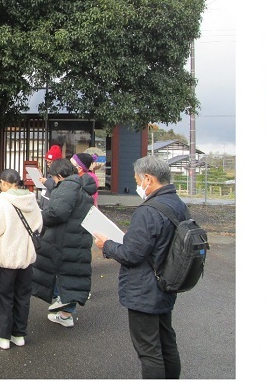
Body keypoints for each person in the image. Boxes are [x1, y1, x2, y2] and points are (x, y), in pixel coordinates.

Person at [99, 155, 189, 379]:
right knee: (167, 342)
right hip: (168, 282)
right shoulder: (178, 204)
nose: (139, 185)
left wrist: (106, 244)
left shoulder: (148, 210)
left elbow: (131, 254)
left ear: (148, 178)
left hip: (145, 288)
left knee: (149, 351)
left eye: (139, 181)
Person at [0, 168, 42, 349]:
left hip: (6, 257)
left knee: (4, 297)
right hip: (26, 257)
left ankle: (3, 336)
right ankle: (19, 334)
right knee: (23, 296)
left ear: (5, 183)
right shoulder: (31, 199)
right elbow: (39, 224)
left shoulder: (1, 202)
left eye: (0, 183)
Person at [32, 158, 95, 328]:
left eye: (54, 177)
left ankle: (62, 301)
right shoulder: (82, 186)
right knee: (73, 274)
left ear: (59, 175)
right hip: (79, 237)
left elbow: (57, 213)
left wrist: (39, 216)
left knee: (59, 272)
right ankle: (65, 314)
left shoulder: (68, 186)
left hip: (64, 238)